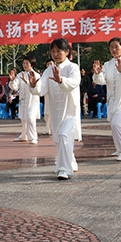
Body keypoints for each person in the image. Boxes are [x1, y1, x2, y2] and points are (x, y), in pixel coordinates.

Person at [28, 38, 80, 180]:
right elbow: (42, 88)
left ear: (67, 52)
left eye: (59, 51)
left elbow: (74, 83)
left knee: (64, 136)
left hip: (69, 110)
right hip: (55, 111)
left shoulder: (72, 68)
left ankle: (63, 169)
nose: (56, 54)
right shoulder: (49, 70)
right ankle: (71, 162)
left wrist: (61, 80)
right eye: (53, 51)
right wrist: (33, 85)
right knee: (59, 139)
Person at [93, 37, 121, 161]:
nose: (114, 49)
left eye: (116, 47)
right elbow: (102, 81)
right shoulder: (107, 64)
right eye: (111, 47)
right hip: (112, 100)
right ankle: (120, 149)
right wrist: (97, 74)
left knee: (117, 124)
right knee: (114, 125)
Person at [10, 56, 41, 144]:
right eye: (24, 63)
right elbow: (15, 87)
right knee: (24, 119)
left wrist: (28, 82)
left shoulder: (36, 75)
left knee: (30, 118)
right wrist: (12, 81)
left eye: (27, 63)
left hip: (33, 101)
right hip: (23, 101)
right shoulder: (20, 75)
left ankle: (33, 137)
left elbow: (38, 89)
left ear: (32, 64)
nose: (25, 65)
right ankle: (24, 135)